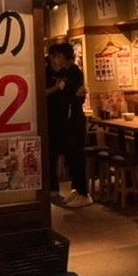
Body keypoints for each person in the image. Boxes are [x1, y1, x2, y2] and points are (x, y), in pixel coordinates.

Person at [46, 41, 91, 207]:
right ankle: (77, 190)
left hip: (75, 119)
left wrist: (79, 93)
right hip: (69, 120)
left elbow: (71, 93)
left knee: (77, 156)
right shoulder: (67, 71)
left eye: (58, 56)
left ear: (64, 56)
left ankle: (83, 193)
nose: (56, 59)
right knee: (72, 157)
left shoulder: (74, 72)